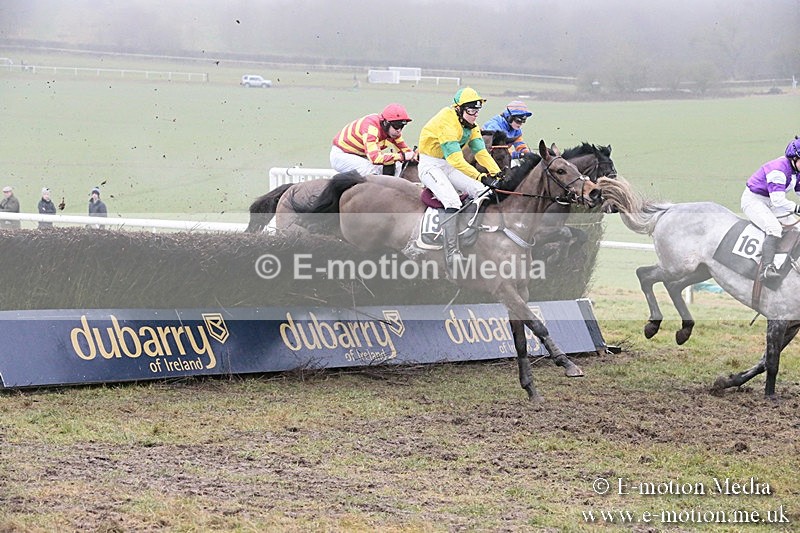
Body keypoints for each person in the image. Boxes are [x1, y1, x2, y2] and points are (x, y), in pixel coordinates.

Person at [417, 87, 504, 273]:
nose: (475, 115)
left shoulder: (471, 126)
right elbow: (456, 160)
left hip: (448, 166)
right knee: (452, 201)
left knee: (482, 191)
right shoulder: (446, 122)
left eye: (477, 110)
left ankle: (471, 234)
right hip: (430, 166)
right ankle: (452, 252)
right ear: (459, 109)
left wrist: (497, 173)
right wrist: (481, 176)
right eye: (471, 110)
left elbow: (481, 153)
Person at [741, 137, 800, 281]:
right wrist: (797, 208)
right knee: (774, 228)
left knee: (797, 227)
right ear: (795, 158)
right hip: (754, 200)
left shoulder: (796, 169)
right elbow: (778, 200)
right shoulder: (778, 170)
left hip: (771, 202)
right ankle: (766, 269)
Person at [330, 103, 416, 177]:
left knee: (396, 166)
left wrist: (416, 156)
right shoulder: (371, 128)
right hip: (342, 155)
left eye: (402, 126)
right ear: (386, 123)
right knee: (371, 171)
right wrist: (402, 156)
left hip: (361, 156)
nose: (399, 130)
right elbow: (375, 158)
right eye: (396, 126)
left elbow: (407, 151)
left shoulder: (393, 133)